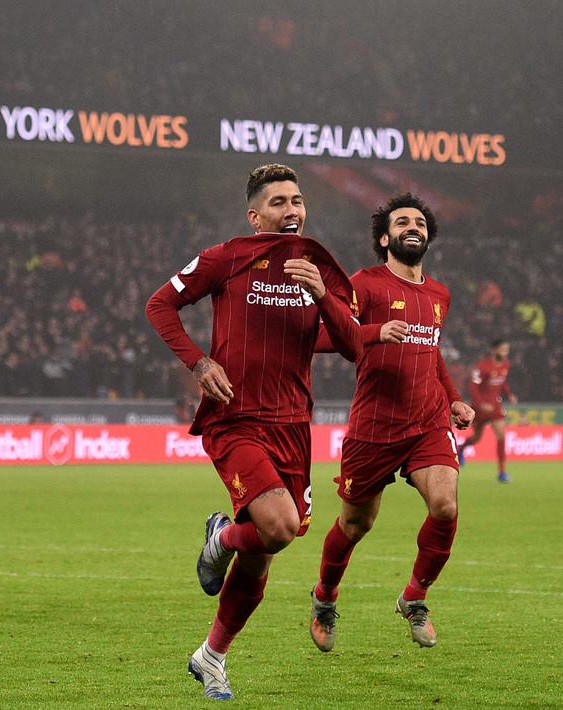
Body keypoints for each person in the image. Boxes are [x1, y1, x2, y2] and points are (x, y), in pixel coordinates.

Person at [146, 164, 375, 701]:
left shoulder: (318, 268)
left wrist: (323, 296)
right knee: (276, 527)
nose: (291, 210)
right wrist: (199, 364)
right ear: (255, 215)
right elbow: (160, 304)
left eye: (297, 200)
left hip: (294, 425)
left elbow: (353, 344)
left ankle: (212, 657)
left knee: (266, 550)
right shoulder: (225, 258)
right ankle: (220, 535)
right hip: (237, 419)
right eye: (278, 202)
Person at [309, 193, 476, 655]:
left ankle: (414, 598)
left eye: (419, 222)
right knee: (356, 523)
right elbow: (325, 337)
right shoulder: (364, 284)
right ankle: (324, 596)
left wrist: (455, 399)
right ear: (385, 238)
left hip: (427, 422)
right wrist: (372, 333)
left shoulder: (439, 294)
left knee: (445, 506)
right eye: (402, 222)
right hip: (374, 427)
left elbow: (432, 352)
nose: (413, 227)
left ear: (428, 236)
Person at [458, 340, 517, 482]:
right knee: (477, 438)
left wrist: (509, 395)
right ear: (494, 350)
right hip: (480, 408)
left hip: (495, 406)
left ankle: (502, 472)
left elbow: (502, 382)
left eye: (507, 350)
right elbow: (473, 387)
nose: (505, 353)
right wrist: (480, 404)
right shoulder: (483, 366)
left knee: (501, 436)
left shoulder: (505, 365)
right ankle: (461, 448)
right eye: (503, 349)